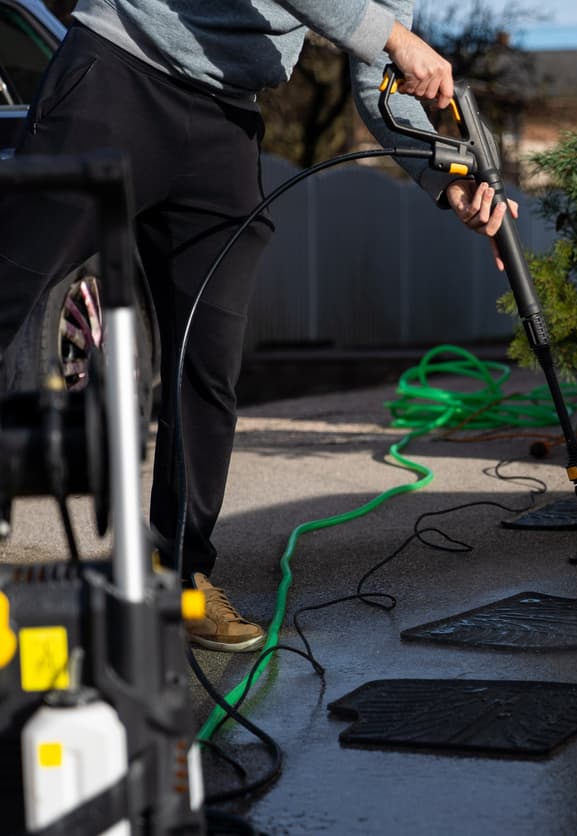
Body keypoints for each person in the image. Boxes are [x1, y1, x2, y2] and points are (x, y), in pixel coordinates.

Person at [0, 0, 516, 651]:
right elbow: (379, 37)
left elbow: (373, 77)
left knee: (208, 361)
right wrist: (393, 35)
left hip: (224, 117)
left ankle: (178, 577)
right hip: (120, 70)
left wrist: (449, 180)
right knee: (10, 292)